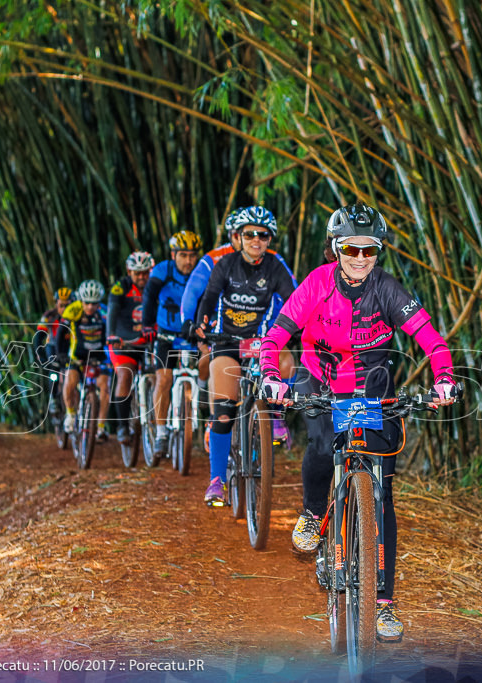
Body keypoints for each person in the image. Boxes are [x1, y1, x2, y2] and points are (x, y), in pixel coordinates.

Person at [259, 202, 458, 643]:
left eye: (370, 251)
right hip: (321, 379)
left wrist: (443, 379)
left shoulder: (387, 290)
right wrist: (272, 376)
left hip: (373, 387)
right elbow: (275, 336)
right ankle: (313, 513)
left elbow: (432, 341)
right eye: (351, 248)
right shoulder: (315, 284)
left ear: (379, 253)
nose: (360, 258)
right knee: (319, 442)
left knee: (382, 491)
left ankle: (382, 605)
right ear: (336, 248)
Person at [186, 206, 297, 506]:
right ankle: (217, 480)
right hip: (226, 341)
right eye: (249, 234)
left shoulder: (275, 267)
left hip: (263, 342)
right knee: (223, 410)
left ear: (269, 239)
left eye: (263, 235)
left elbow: (292, 298)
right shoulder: (225, 264)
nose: (256, 240)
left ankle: (274, 415)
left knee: (287, 361)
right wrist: (200, 325)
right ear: (238, 237)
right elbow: (209, 297)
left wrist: (306, 326)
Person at [141, 230, 202, 457]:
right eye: (183, 255)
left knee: (208, 370)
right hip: (166, 334)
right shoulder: (162, 270)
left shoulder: (201, 271)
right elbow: (149, 296)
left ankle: (210, 423)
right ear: (173, 254)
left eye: (192, 255)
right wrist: (147, 325)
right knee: (164, 378)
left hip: (193, 334)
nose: (188, 261)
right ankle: (160, 432)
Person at [107, 251, 154, 446]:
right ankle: (122, 426)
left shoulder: (156, 286)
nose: (142, 277)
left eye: (145, 273)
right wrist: (111, 335)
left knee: (161, 376)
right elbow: (112, 311)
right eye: (137, 273)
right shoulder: (121, 287)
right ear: (129, 271)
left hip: (148, 341)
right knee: (125, 375)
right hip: (122, 342)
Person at [57, 280, 112, 441]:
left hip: (99, 354)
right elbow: (61, 334)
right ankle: (70, 414)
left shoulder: (104, 312)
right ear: (81, 301)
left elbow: (112, 332)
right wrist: (60, 354)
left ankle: (101, 428)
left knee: (105, 388)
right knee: (71, 381)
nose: (90, 307)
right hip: (77, 354)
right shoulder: (72, 310)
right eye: (87, 303)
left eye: (94, 304)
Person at [37, 287, 73, 413]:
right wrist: (40, 354)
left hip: (70, 347)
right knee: (54, 372)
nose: (64, 309)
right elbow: (39, 336)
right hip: (52, 347)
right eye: (61, 305)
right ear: (56, 304)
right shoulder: (49, 316)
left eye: (67, 305)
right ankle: (53, 397)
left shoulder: (77, 315)